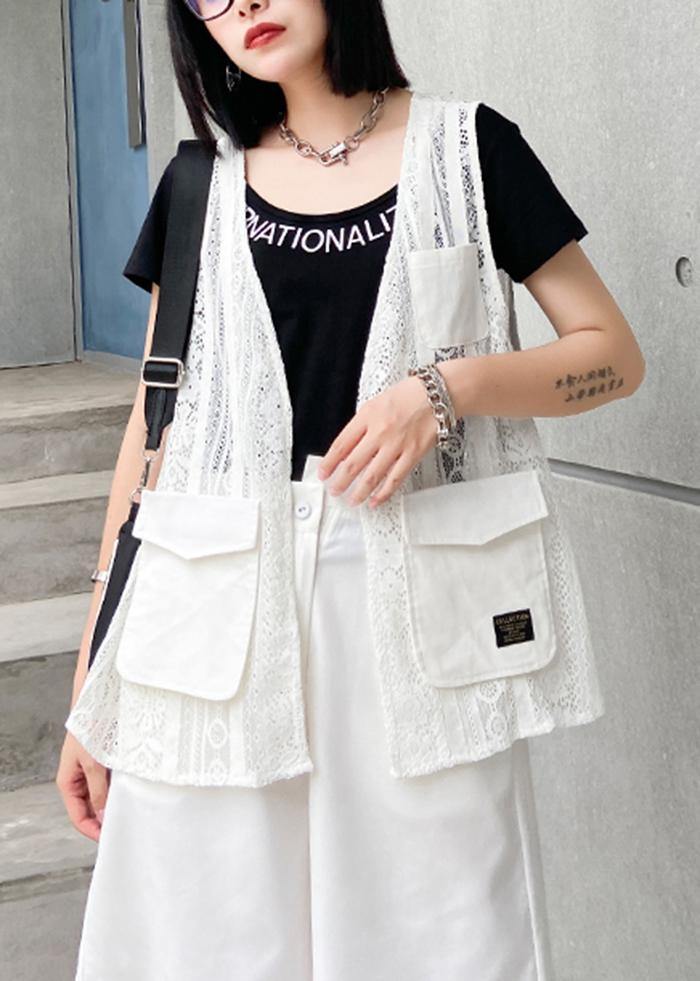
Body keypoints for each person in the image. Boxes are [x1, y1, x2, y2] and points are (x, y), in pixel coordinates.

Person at [56, 1, 646, 979]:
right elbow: (151, 439)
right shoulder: (199, 187)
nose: (241, 4)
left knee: (438, 940)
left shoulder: (469, 150)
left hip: (420, 621)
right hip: (206, 631)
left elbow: (612, 355)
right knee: (200, 944)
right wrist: (91, 689)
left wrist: (445, 390)